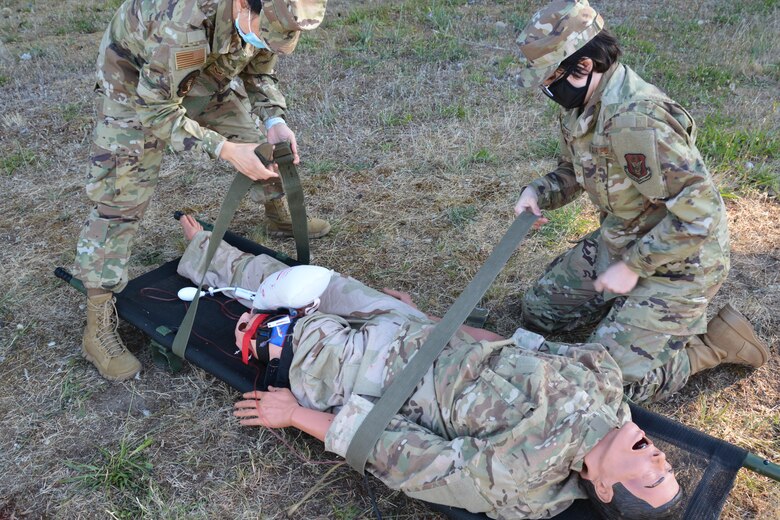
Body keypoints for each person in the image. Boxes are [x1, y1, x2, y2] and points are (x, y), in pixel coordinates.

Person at [174, 215, 684, 519]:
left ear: (602, 488)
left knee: (266, 324)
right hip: (412, 330)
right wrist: (431, 319)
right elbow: (510, 345)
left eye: (650, 480)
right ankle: (204, 249)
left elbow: (401, 455)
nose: (661, 462)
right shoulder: (605, 386)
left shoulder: (524, 481)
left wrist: (296, 417)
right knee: (310, 280)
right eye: (669, 468)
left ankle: (252, 311)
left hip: (363, 375)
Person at [511, 0, 768, 403]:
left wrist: (633, 268)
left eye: (549, 80)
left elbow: (701, 213)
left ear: (583, 67)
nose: (547, 90)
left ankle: (713, 345)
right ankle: (631, 314)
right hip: (624, 237)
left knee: (606, 388)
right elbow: (577, 169)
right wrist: (537, 191)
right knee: (541, 313)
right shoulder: (584, 103)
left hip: (682, 261)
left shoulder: (637, 121)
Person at [75, 0, 332, 380]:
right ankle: (97, 321)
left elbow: (260, 66)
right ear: (244, 5)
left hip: (200, 75)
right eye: (266, 31)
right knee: (120, 197)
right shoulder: (185, 21)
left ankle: (277, 214)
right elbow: (157, 109)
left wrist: (274, 120)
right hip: (137, 88)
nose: (272, 41)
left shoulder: (270, 13)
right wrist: (224, 150)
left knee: (260, 146)